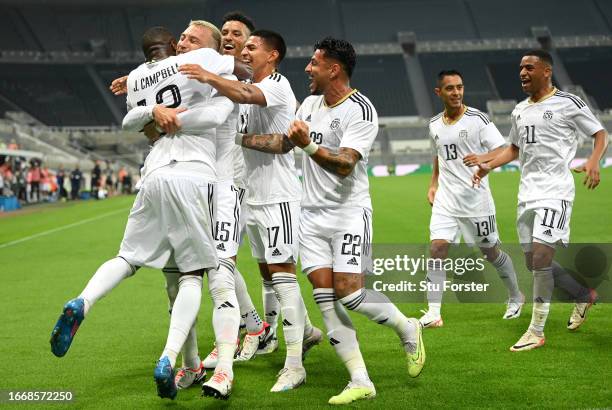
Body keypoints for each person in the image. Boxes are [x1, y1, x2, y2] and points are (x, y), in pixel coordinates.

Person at [49, 26, 238, 401]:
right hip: (193, 174)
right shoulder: (203, 60)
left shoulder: (138, 77)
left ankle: (82, 302)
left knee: (127, 257)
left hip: (152, 174)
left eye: (191, 37)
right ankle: (169, 357)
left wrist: (154, 110)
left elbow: (129, 121)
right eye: (181, 38)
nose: (186, 42)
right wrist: (182, 111)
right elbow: (230, 92)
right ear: (171, 46)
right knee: (191, 276)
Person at [180, 29, 320, 392]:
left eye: (252, 47)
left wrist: (208, 75)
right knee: (253, 272)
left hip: (277, 198)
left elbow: (280, 144)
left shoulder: (276, 84)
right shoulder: (239, 90)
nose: (245, 50)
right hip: (246, 196)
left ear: (272, 55)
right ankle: (290, 331)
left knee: (284, 277)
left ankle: (294, 365)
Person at [470, 49, 607, 351]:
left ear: (547, 71)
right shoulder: (519, 110)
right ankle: (583, 295)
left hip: (556, 192)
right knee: (533, 263)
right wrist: (487, 165)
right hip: (527, 194)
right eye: (520, 68)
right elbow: (513, 149)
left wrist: (594, 161)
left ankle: (536, 330)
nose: (522, 72)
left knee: (543, 260)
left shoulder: (568, 103)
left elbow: (600, 133)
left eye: (529, 67)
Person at [419, 69, 524, 328]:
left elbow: (502, 149)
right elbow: (438, 155)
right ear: (439, 92)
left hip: (476, 200)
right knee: (437, 248)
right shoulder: (434, 124)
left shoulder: (477, 119)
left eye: (460, 87)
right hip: (446, 200)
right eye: (450, 88)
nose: (456, 92)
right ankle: (434, 313)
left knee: (491, 252)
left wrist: (483, 159)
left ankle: (515, 296)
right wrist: (433, 184)